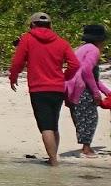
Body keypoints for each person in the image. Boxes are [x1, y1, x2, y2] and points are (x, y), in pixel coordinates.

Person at [8, 12, 80, 167]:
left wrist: (13, 77)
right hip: (58, 88)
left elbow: (18, 62)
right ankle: (53, 156)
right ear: (50, 25)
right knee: (53, 124)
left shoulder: (27, 39)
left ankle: (53, 161)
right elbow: (75, 64)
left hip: (38, 88)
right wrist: (64, 77)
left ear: (32, 25)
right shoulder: (62, 42)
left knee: (45, 126)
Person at [65, 25, 110, 159]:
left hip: (70, 87)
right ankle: (86, 148)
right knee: (90, 118)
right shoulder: (94, 50)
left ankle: (85, 145)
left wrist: (107, 92)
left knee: (80, 117)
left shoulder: (81, 48)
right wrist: (96, 93)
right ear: (100, 40)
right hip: (82, 88)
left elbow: (93, 78)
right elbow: (86, 71)